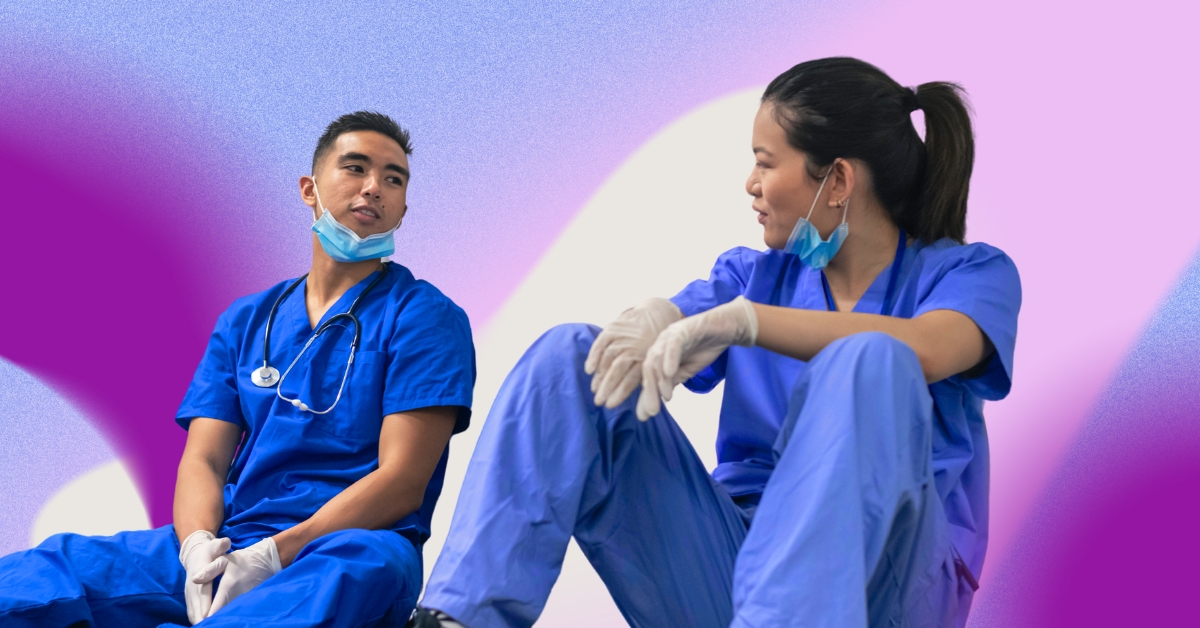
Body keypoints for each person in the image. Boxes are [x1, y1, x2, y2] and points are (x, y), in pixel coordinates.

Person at [411, 58, 1020, 628]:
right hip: (733, 567)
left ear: (836, 180)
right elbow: (682, 322)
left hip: (885, 580)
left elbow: (928, 348)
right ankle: (460, 618)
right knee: (571, 356)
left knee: (872, 359)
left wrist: (750, 322)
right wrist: (657, 322)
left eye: (765, 161)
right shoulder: (750, 277)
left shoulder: (968, 276)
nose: (750, 184)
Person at [0, 111, 476, 627]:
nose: (373, 188)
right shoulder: (247, 320)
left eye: (393, 179)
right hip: (232, 532)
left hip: (345, 549)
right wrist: (199, 548)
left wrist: (272, 556)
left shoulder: (426, 317)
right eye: (355, 168)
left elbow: (402, 480)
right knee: (45, 574)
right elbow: (203, 459)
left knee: (351, 573)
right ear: (309, 188)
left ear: (403, 209)